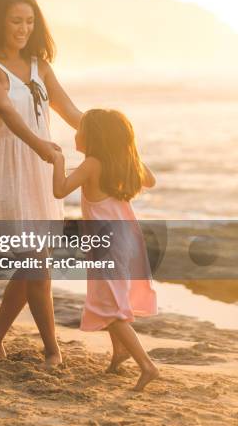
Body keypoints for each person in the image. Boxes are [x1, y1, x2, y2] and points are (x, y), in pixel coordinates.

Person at [0, 0, 82, 366]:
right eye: (16, 20)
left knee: (35, 260)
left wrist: (115, 143)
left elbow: (71, 112)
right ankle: (53, 350)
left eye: (30, 21)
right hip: (4, 170)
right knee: (36, 260)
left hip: (38, 169)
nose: (23, 28)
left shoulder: (39, 66)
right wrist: (40, 146)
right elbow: (10, 116)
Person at [52, 109, 159, 390]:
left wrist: (58, 160)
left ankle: (147, 366)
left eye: (80, 130)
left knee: (111, 310)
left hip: (106, 247)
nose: (76, 133)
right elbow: (150, 180)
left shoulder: (90, 165)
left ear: (93, 138)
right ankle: (119, 353)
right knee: (111, 299)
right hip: (126, 241)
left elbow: (60, 190)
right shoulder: (121, 162)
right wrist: (127, 151)